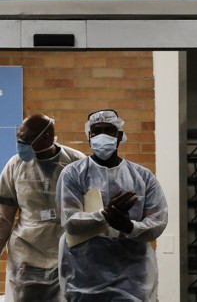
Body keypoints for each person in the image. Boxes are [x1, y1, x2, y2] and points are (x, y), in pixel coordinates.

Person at [57, 109, 168, 302]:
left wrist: (129, 227)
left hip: (132, 275)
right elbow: (70, 221)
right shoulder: (73, 174)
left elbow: (157, 222)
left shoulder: (142, 177)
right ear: (89, 136)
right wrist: (105, 215)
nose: (102, 136)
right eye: (96, 131)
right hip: (84, 273)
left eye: (108, 130)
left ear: (119, 135)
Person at [0, 114, 87, 301]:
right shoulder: (15, 165)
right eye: (18, 138)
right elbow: (1, 216)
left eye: (27, 139)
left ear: (47, 136)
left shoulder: (75, 162)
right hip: (26, 257)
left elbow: (92, 211)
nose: (21, 143)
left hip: (67, 254)